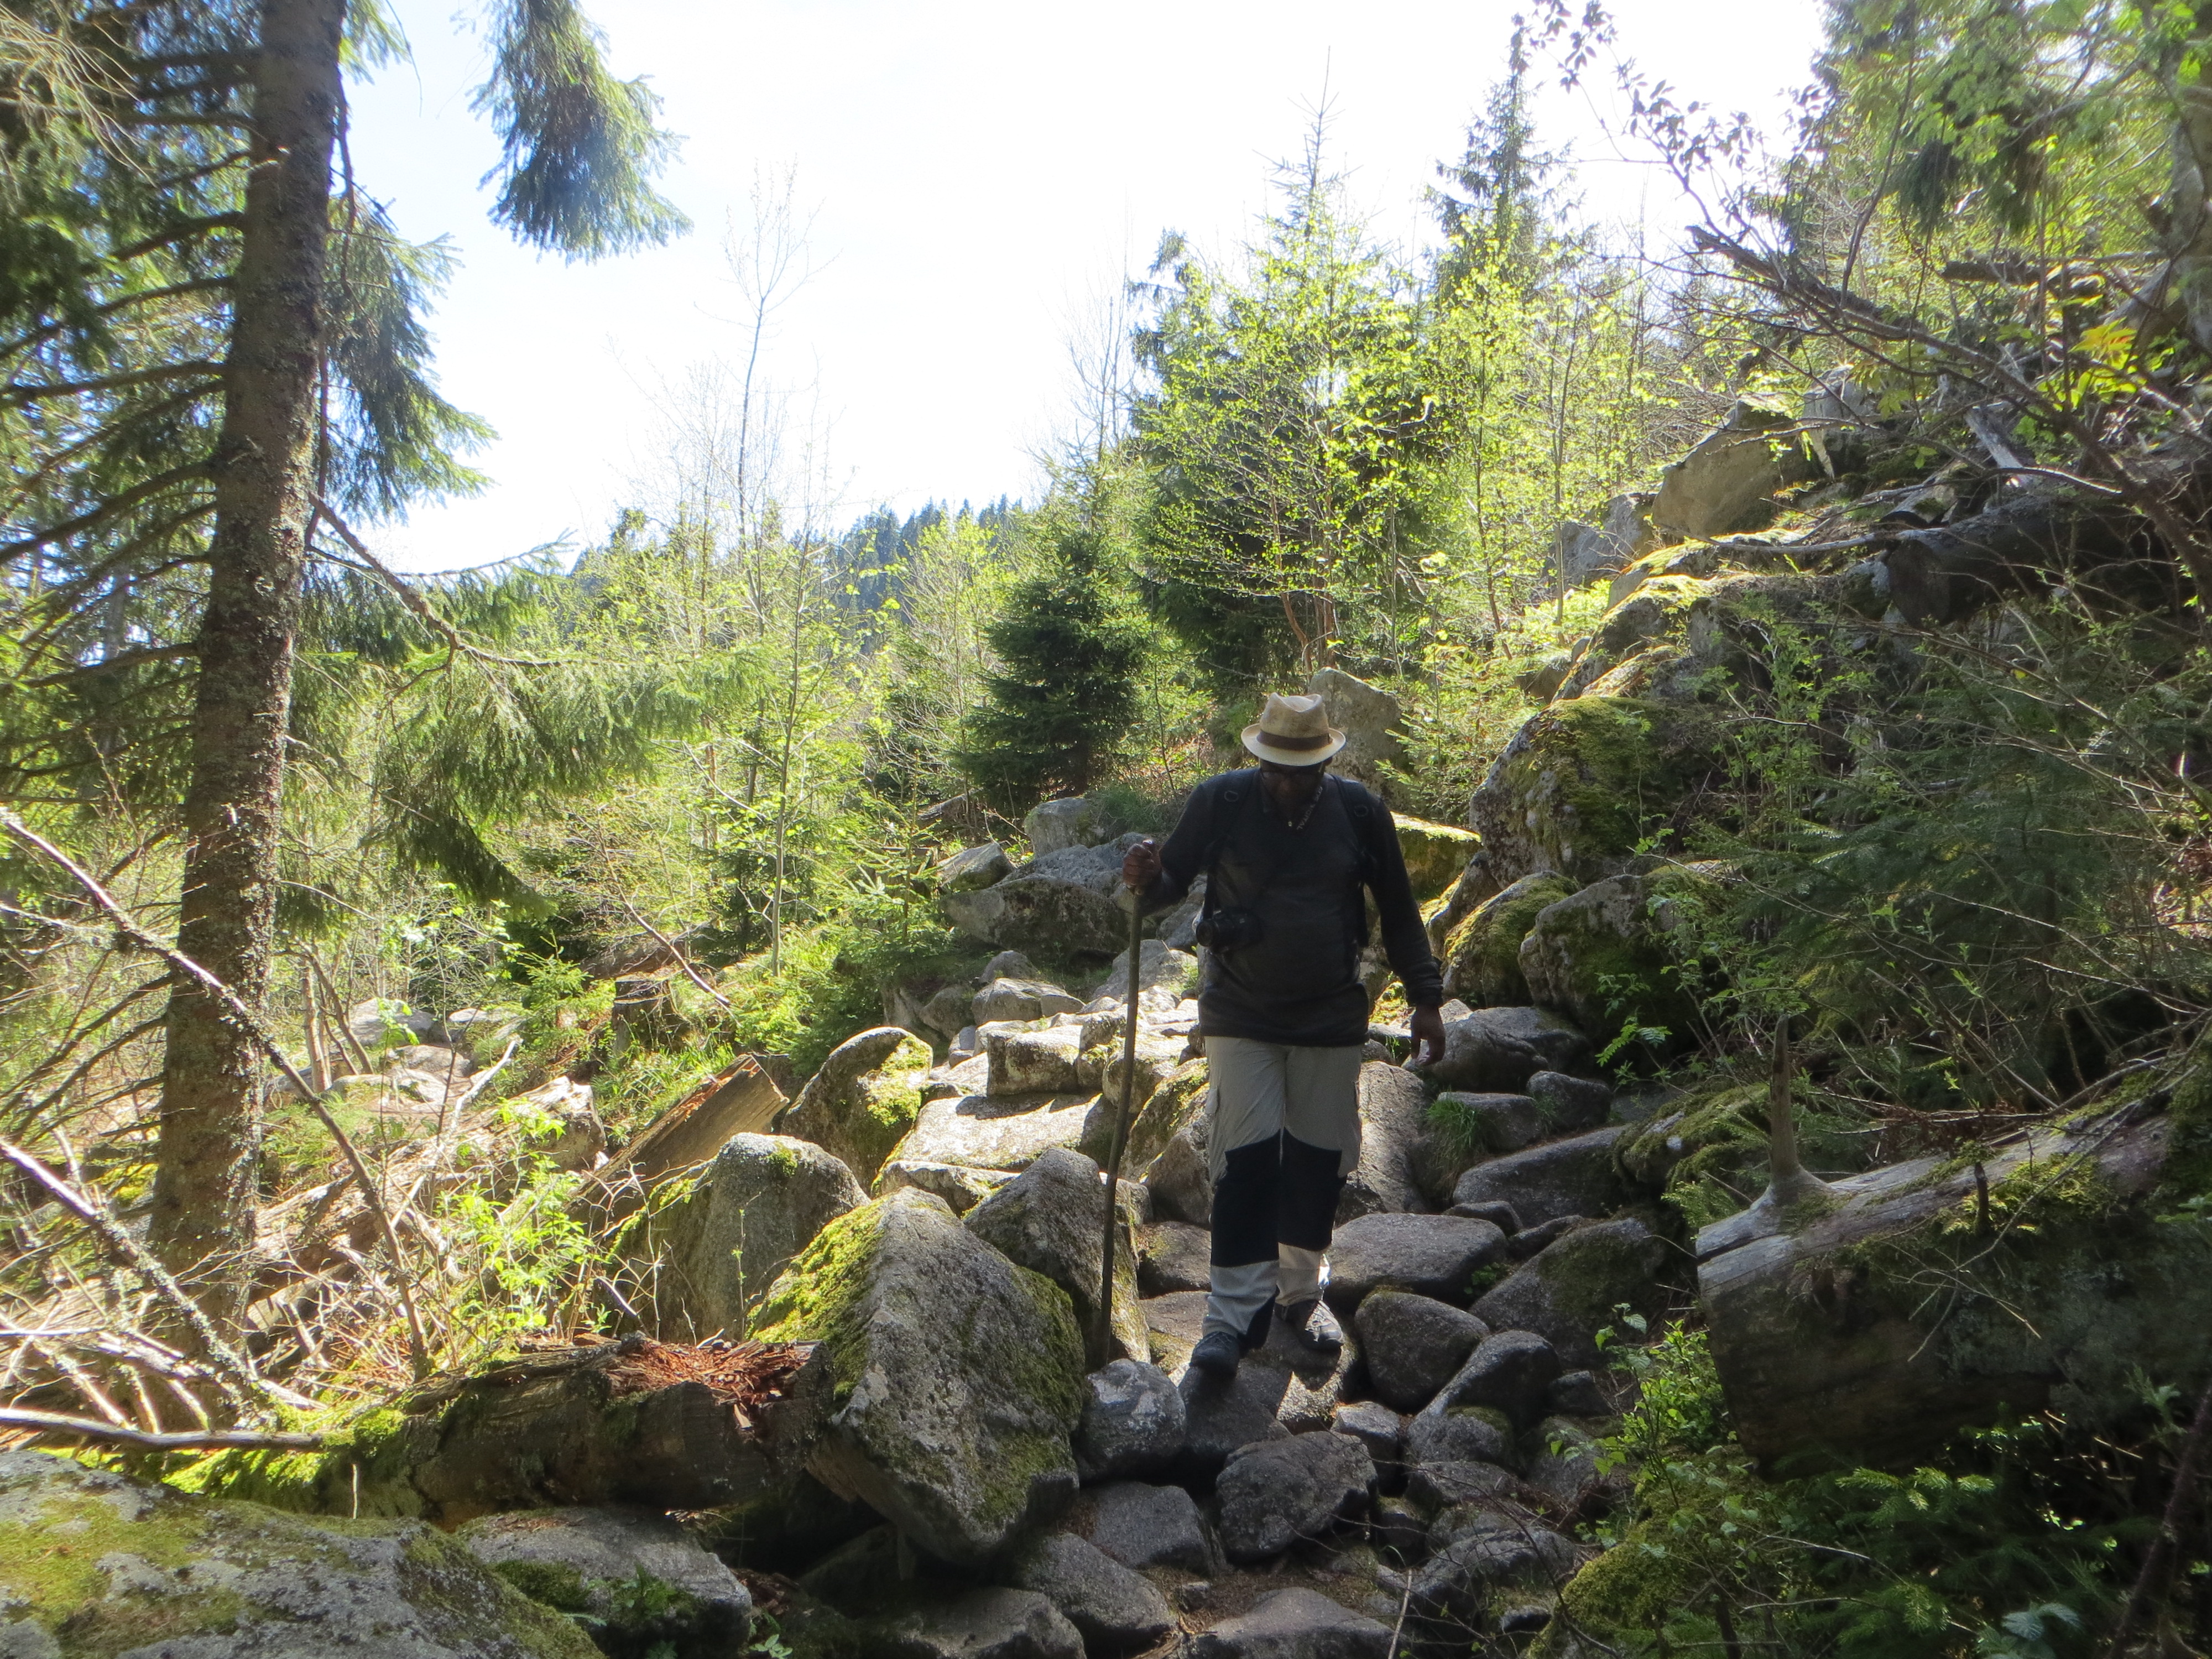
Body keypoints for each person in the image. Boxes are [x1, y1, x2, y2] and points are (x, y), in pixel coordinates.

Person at [1121, 691, 1447, 1380]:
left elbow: (1397, 908)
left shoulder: (1359, 811)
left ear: (1324, 764)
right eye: (1275, 770)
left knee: (1317, 1160)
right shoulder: (1221, 800)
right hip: (1240, 1011)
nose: (1288, 783)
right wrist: (1147, 878)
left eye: (1302, 772)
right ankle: (1228, 1320)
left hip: (1329, 1014)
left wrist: (1425, 998)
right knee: (1244, 1161)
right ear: (1258, 760)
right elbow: (1170, 881)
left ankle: (1301, 1292)